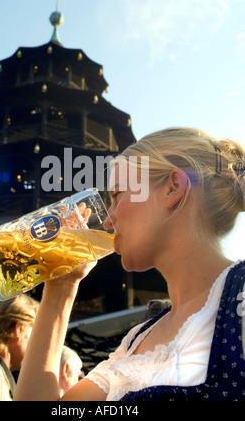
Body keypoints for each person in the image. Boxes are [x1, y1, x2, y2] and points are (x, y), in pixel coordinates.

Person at [14, 127, 245, 401]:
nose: (108, 220)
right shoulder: (135, 341)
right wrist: (62, 287)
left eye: (117, 195)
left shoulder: (239, 298)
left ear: (173, 188)